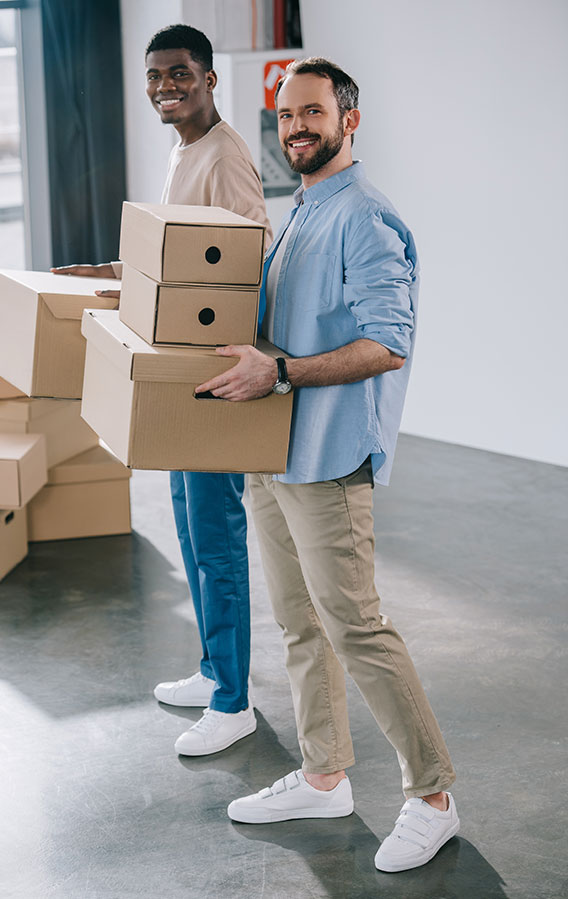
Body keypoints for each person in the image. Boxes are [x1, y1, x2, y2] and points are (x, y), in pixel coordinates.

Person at [195, 57, 459, 873]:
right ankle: (323, 774)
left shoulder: (366, 218)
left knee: (355, 628)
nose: (295, 127)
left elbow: (387, 342)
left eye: (311, 111)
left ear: (349, 119)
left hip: (327, 458)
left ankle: (434, 797)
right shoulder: (302, 209)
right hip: (273, 454)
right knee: (299, 622)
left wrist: (278, 372)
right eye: (285, 115)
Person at [52, 25, 272, 757]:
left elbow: (246, 256)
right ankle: (213, 670)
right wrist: (114, 274)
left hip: (211, 372)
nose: (164, 87)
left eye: (179, 73)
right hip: (181, 372)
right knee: (189, 527)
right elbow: (178, 252)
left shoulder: (226, 155)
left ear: (208, 77)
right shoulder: (185, 149)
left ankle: (234, 702)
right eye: (154, 76)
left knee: (217, 538)